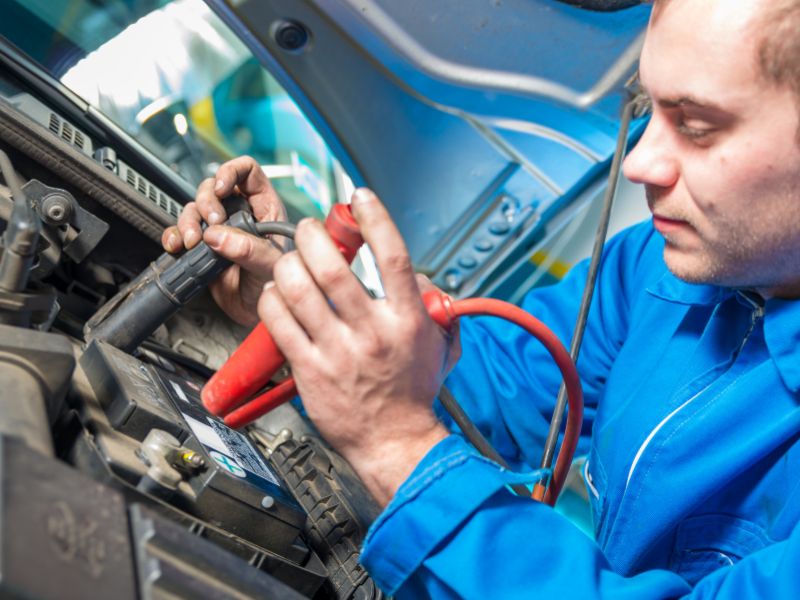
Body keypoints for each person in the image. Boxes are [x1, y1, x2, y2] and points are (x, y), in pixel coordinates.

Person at [162, 0, 800, 596]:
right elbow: (499, 386)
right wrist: (302, 311)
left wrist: (396, 447)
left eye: (694, 126)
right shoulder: (653, 268)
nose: (638, 163)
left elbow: (404, 425)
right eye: (644, 107)